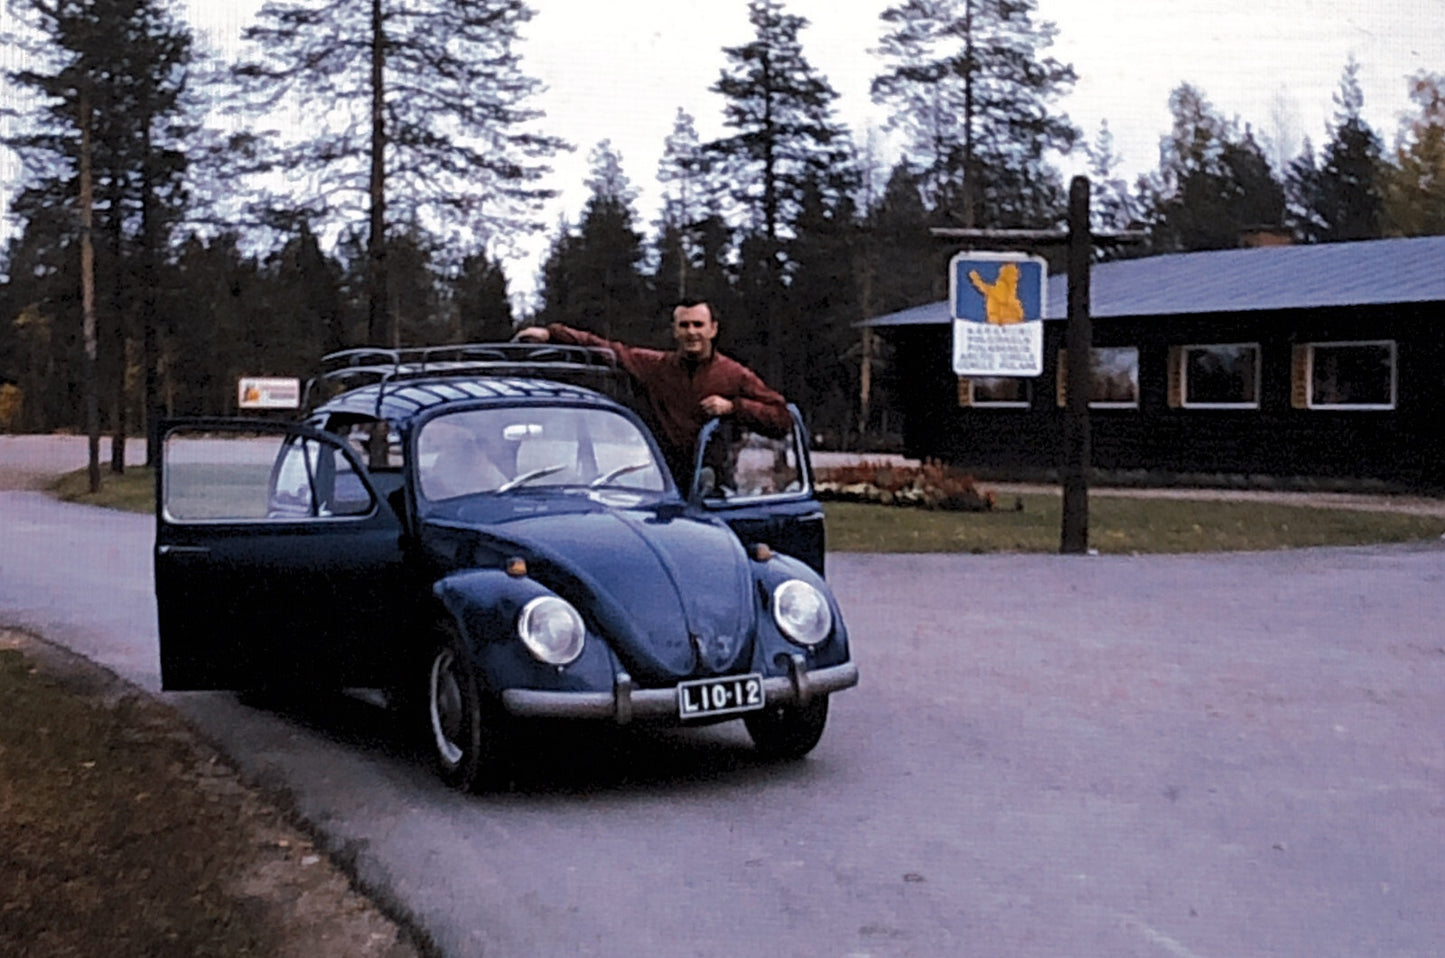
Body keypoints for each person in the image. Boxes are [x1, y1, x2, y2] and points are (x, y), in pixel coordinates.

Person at [515, 299, 791, 485]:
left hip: (715, 484)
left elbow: (781, 418)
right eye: (684, 325)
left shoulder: (734, 374)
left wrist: (733, 408)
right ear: (675, 331)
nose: (691, 332)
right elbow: (608, 350)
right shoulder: (656, 367)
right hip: (664, 482)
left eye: (698, 325)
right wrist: (552, 334)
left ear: (713, 329)